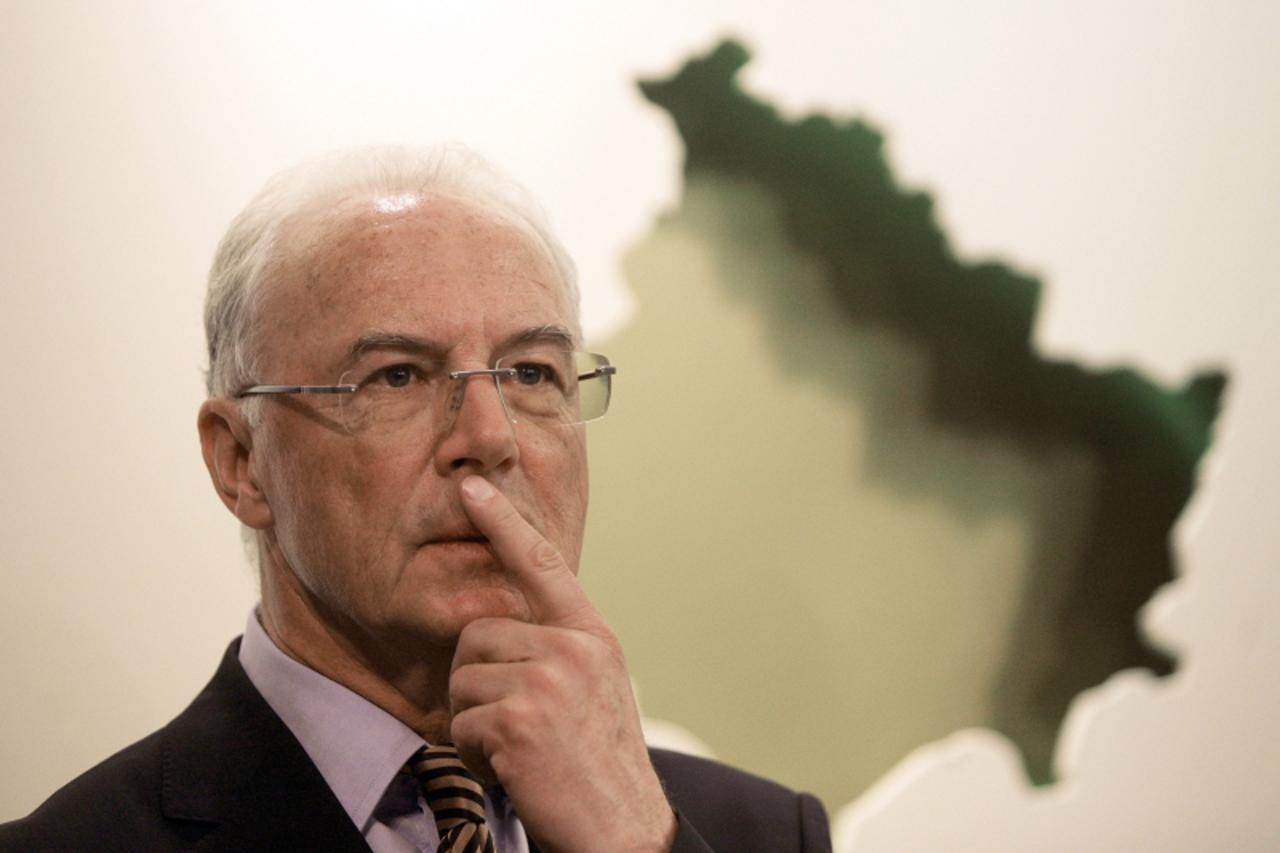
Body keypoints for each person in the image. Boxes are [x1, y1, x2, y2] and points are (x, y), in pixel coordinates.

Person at [0, 145, 831, 851]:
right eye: (397, 374)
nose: (490, 435)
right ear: (242, 462)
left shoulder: (755, 830)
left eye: (530, 372)